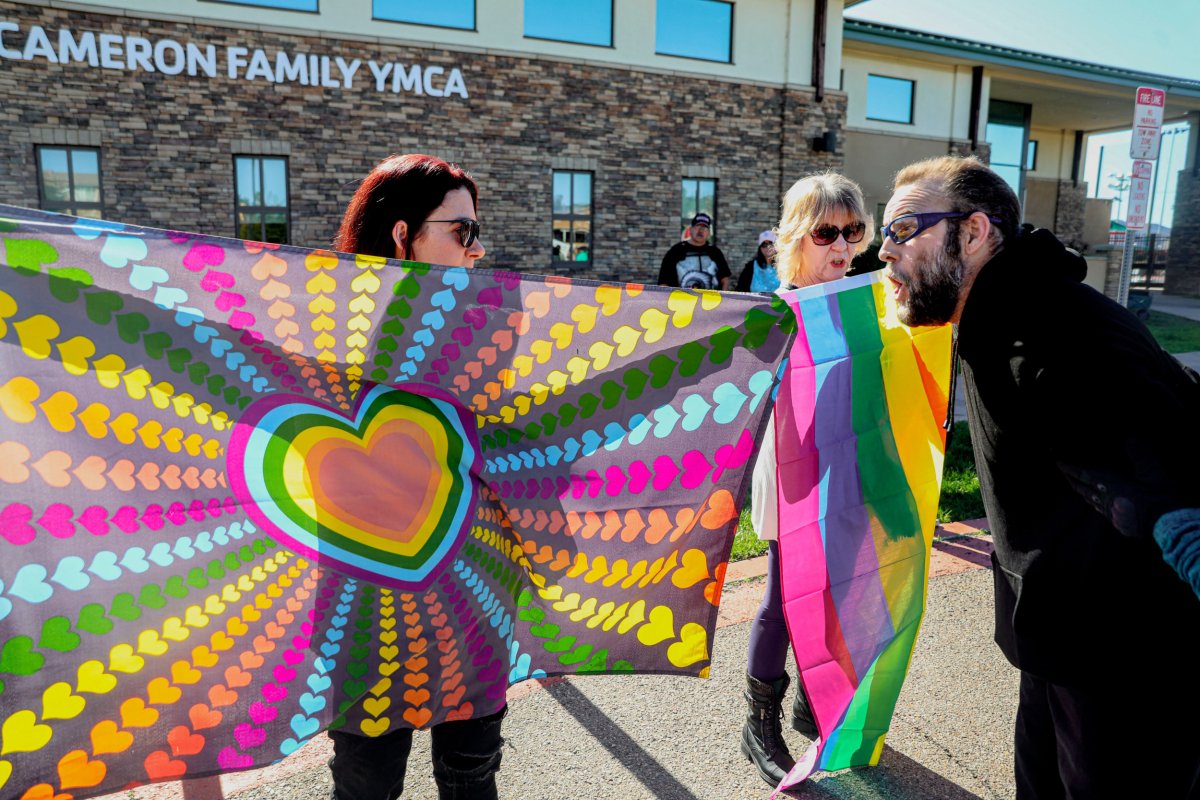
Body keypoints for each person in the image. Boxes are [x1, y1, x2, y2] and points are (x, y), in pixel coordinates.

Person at [877, 155, 1200, 798]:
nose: (885, 251)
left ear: (972, 234)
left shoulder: (1056, 339)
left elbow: (1163, 482)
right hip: (1057, 636)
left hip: (1122, 660)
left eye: (903, 229)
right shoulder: (998, 316)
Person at [329, 153, 503, 800]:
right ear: (402, 235)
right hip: (367, 604)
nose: (477, 249)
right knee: (367, 784)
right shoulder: (329, 336)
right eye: (461, 232)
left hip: (471, 592)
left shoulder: (487, 330)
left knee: (470, 773)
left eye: (476, 231)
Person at [742, 173, 872, 786]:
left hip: (847, 465)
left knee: (834, 592)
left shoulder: (867, 302)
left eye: (853, 230)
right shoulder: (776, 310)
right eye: (826, 232)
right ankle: (757, 721)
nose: (841, 245)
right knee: (784, 598)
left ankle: (812, 701)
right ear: (797, 236)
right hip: (791, 469)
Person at [657, 212, 731, 289]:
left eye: (705, 228)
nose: (700, 231)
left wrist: (723, 299)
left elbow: (725, 280)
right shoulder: (676, 251)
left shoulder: (715, 252)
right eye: (697, 227)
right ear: (691, 230)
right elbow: (664, 282)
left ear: (708, 233)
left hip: (711, 300)